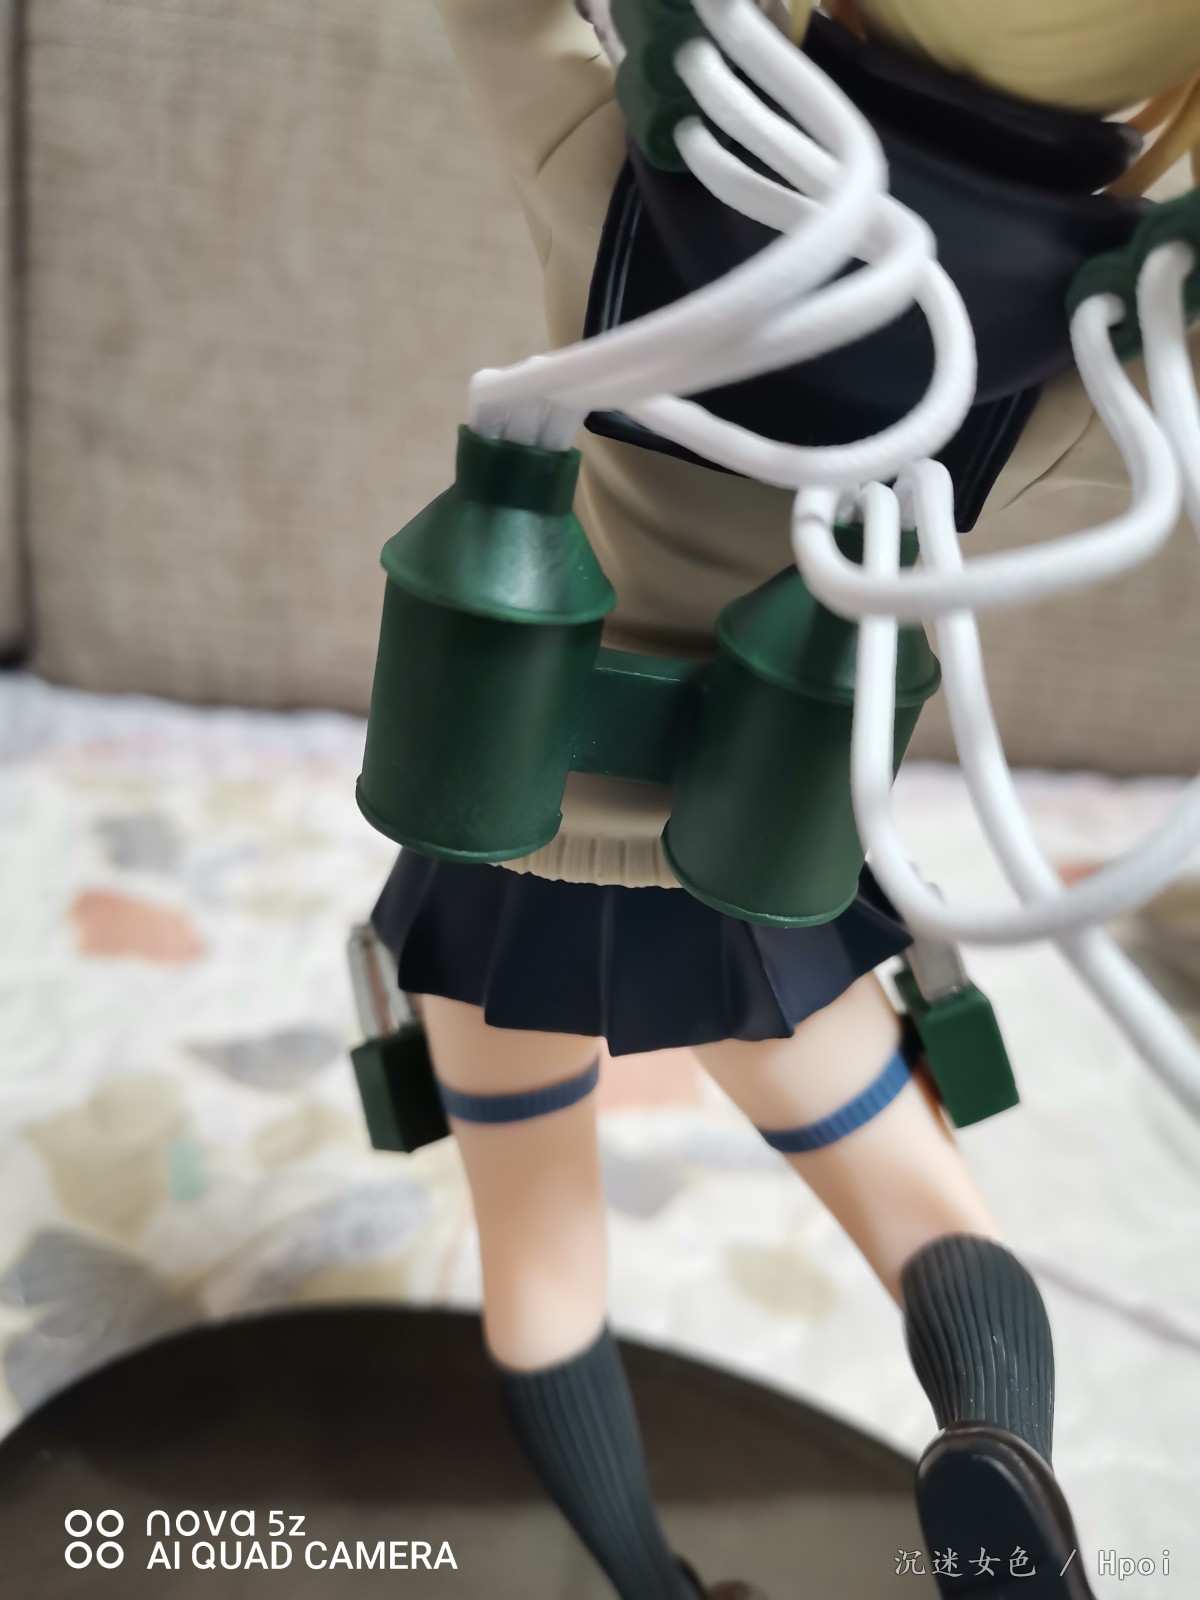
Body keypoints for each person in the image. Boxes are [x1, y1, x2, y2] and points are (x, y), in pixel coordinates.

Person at [371, 3, 1200, 1595]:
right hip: (749, 869)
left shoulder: (634, 171)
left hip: (506, 834)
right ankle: (998, 1455)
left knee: (540, 1256)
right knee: (926, 1209)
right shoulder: (1059, 363)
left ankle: (650, 1584)